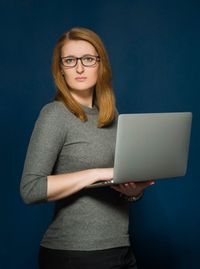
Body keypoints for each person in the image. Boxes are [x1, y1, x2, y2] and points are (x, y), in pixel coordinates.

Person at [20, 27, 154, 269]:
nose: (79, 68)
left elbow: (117, 184)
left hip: (120, 249)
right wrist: (98, 173)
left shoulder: (111, 116)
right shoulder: (55, 114)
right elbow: (31, 189)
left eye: (88, 59)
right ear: (60, 68)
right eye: (70, 61)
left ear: (100, 64)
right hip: (75, 254)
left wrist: (132, 191)